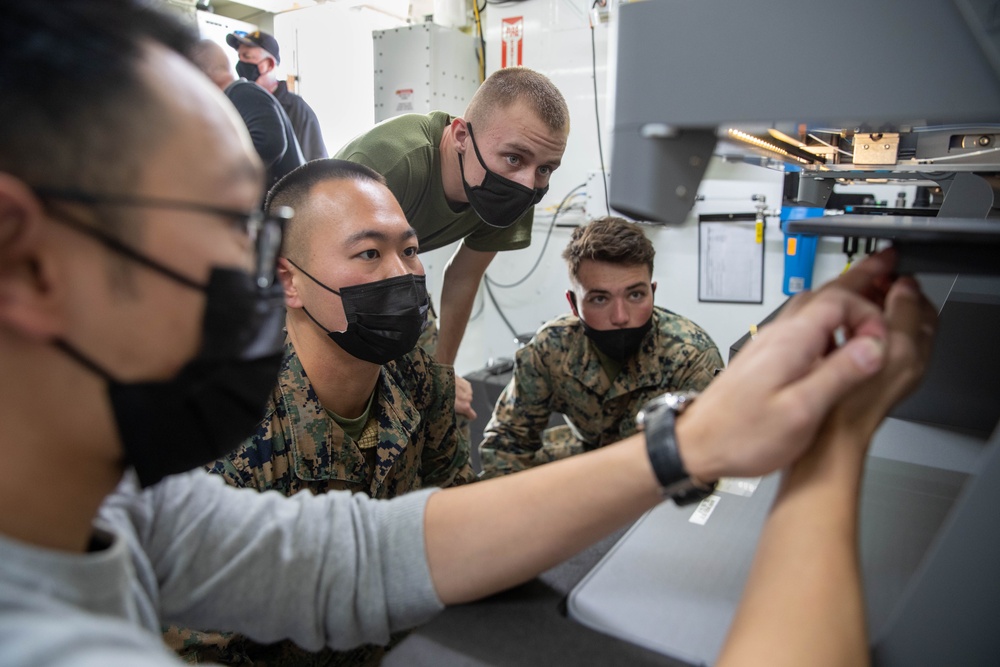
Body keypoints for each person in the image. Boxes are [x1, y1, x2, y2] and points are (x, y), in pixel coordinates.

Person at [0, 3, 937, 667]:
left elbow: (364, 555)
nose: (257, 275)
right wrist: (834, 447)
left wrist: (695, 441)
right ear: (27, 260)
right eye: (222, 224)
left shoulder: (118, 505)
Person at [166, 159, 476, 666]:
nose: (402, 275)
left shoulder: (417, 370)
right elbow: (200, 650)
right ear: (289, 281)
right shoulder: (228, 432)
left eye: (411, 250)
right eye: (369, 253)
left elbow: (457, 517)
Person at [335, 67, 570, 419]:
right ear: (461, 135)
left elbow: (464, 276)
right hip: (313, 277)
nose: (528, 182)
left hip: (393, 280)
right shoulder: (390, 163)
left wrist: (439, 378)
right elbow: (323, 273)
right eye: (513, 158)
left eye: (546, 168)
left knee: (443, 412)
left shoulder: (520, 188)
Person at [479, 217, 723, 478]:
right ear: (573, 304)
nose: (620, 316)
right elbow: (507, 442)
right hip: (591, 456)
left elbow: (710, 456)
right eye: (599, 299)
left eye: (635, 295)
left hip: (657, 473)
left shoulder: (691, 355)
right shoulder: (552, 347)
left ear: (652, 292)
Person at [190, 39, 304, 190]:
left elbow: (269, 143)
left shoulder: (242, 93)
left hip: (284, 203)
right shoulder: (233, 98)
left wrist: (217, 173)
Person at [227, 29, 328, 161]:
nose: (240, 64)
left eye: (247, 56)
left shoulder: (297, 109)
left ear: (269, 64)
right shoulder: (235, 106)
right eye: (239, 57)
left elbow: (318, 166)